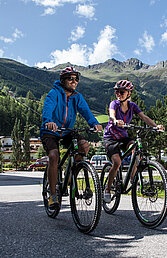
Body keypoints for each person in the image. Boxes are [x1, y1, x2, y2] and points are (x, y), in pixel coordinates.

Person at [40, 67, 102, 210]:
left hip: (67, 131)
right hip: (51, 130)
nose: (74, 81)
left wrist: (94, 124)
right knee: (54, 156)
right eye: (70, 78)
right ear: (63, 81)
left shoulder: (77, 97)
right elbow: (48, 109)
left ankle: (70, 176)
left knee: (84, 146)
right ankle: (53, 194)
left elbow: (86, 112)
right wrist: (48, 121)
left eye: (76, 79)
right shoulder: (54, 93)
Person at [103, 79, 164, 203]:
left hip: (123, 136)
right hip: (110, 137)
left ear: (129, 93)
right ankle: (107, 190)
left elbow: (144, 117)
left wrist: (155, 126)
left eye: (121, 92)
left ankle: (132, 179)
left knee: (136, 149)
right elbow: (111, 114)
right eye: (117, 92)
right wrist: (115, 121)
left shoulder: (132, 106)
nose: (118, 94)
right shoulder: (114, 104)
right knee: (117, 162)